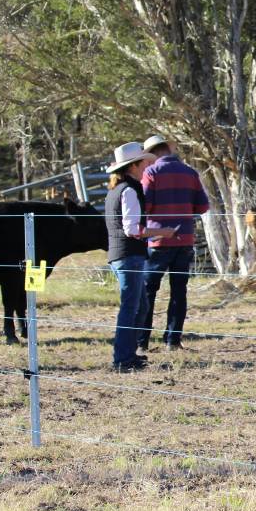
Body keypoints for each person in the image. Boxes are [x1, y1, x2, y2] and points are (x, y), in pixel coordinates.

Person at [104, 142, 174, 371]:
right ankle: (123, 358)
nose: (147, 166)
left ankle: (128, 354)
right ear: (134, 166)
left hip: (122, 255)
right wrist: (162, 232)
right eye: (144, 162)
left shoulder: (116, 190)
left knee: (140, 306)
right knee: (131, 307)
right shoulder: (130, 191)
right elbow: (132, 230)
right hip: (129, 255)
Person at [137, 135, 209, 352]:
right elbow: (203, 207)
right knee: (179, 291)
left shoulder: (151, 173)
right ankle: (173, 341)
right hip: (184, 238)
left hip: (158, 241)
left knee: (148, 291)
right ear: (168, 149)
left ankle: (142, 342)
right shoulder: (190, 172)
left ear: (152, 154)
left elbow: (144, 206)